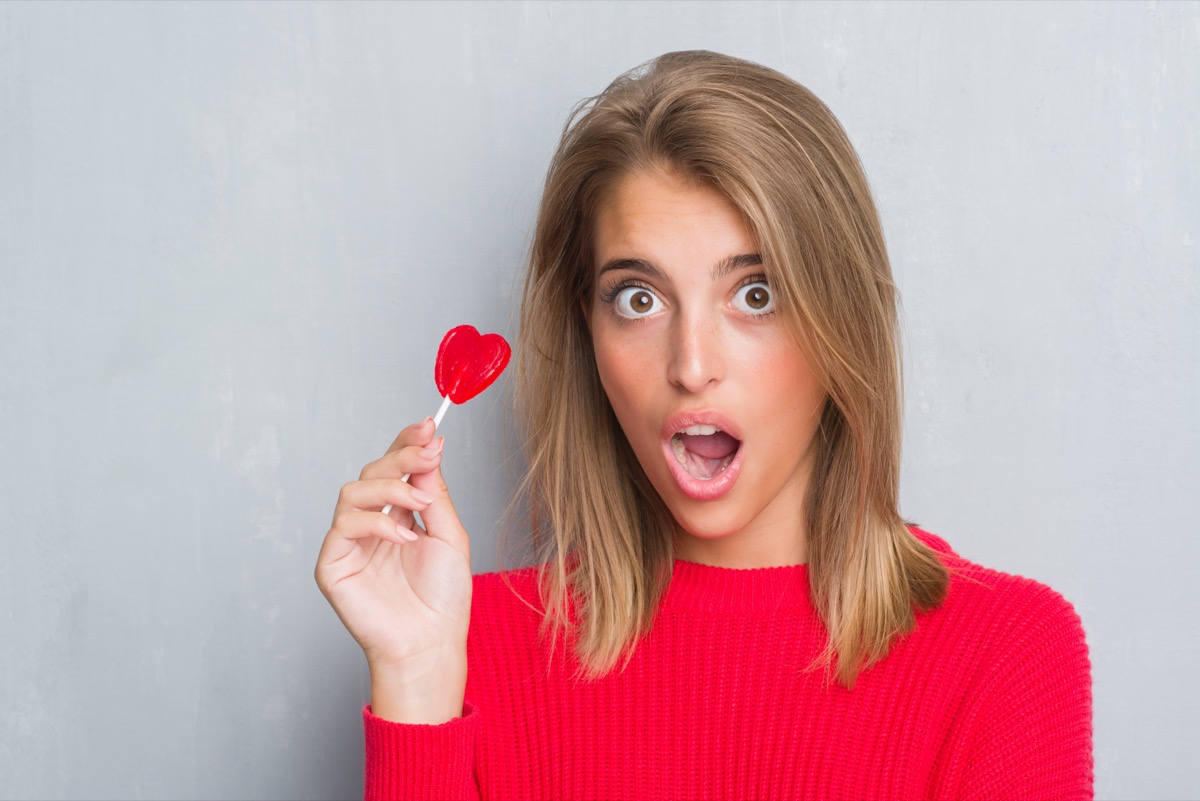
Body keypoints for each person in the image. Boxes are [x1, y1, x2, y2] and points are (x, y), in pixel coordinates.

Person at [315, 50, 1093, 800]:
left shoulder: (1006, 655)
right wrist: (416, 677)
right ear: (587, 331)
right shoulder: (462, 644)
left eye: (756, 294)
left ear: (842, 323)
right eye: (638, 298)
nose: (691, 364)